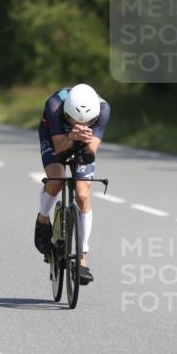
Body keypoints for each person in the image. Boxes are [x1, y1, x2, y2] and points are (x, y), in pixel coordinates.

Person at [34, 84, 110, 285]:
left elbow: (90, 153)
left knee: (83, 194)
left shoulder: (103, 110)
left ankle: (82, 259)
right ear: (66, 113)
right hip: (54, 135)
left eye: (87, 122)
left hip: (78, 142)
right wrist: (71, 138)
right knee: (57, 180)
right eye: (72, 120)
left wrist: (82, 142)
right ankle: (43, 219)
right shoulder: (55, 105)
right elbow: (59, 149)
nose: (79, 123)